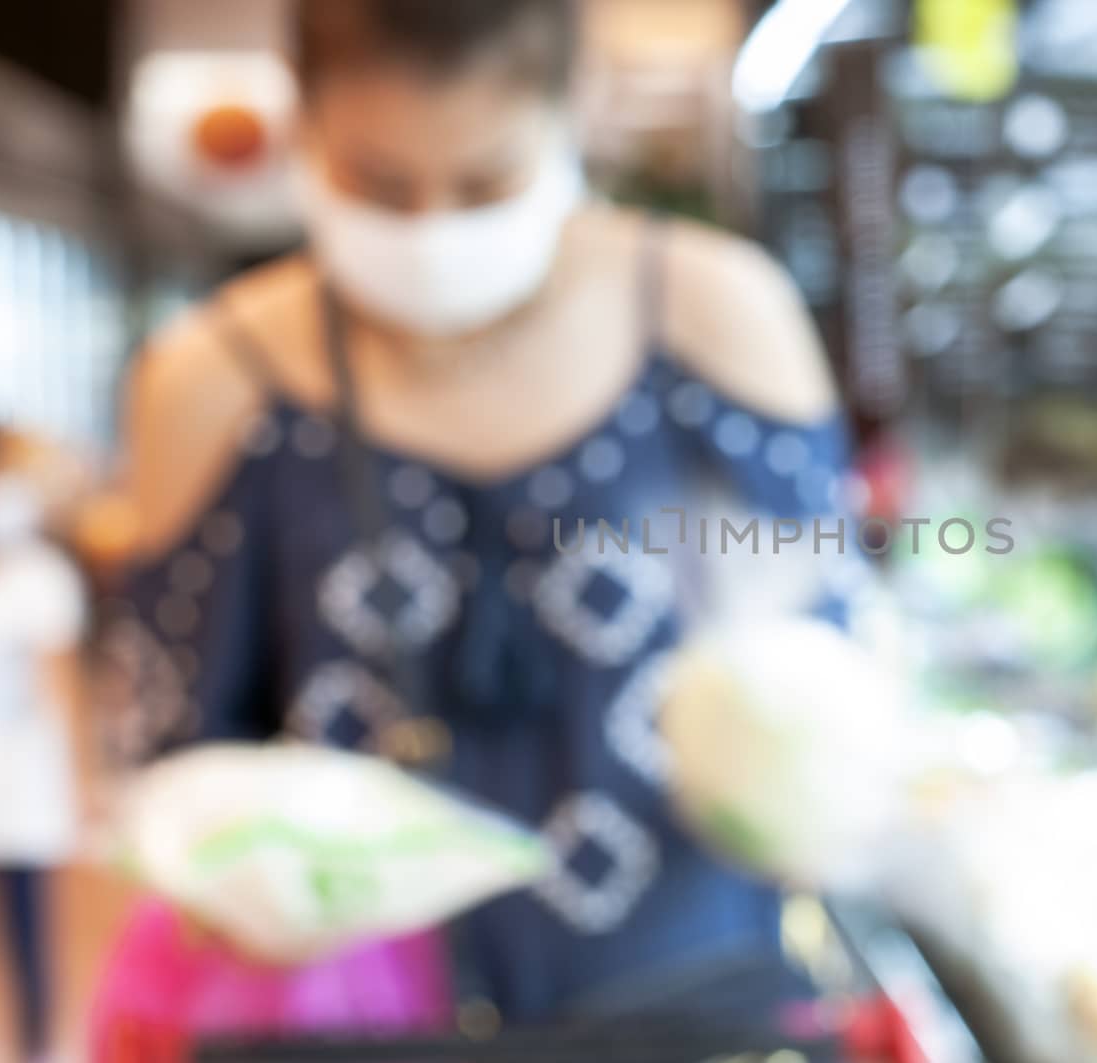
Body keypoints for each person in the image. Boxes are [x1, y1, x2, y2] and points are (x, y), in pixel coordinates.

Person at [107, 0, 853, 1034]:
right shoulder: (212, 378)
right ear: (306, 125)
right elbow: (165, 744)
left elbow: (830, 636)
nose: (432, 227)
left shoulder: (717, 317)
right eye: (377, 183)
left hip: (691, 1002)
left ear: (569, 112)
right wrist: (243, 868)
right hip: (355, 1023)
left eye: (486, 182)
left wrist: (820, 775)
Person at [0, 428, 88, 1060]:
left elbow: (61, 687)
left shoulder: (42, 579)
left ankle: (36, 1046)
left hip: (20, 780)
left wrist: (84, 780)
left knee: (27, 931)